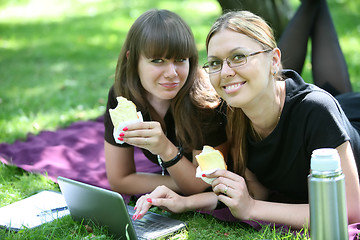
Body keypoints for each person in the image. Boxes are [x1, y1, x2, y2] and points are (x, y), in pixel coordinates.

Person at [133, 9, 360, 229]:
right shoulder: (234, 112)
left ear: (274, 60)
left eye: (238, 57)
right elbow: (250, 191)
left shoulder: (317, 110)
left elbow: (349, 210)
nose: (225, 72)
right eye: (215, 63)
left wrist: (252, 209)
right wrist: (184, 202)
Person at [103, 9, 228, 197]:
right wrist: (182, 180)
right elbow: (119, 179)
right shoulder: (123, 98)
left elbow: (203, 183)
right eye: (157, 60)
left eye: (180, 60)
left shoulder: (205, 102)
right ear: (133, 60)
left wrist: (165, 149)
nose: (171, 73)